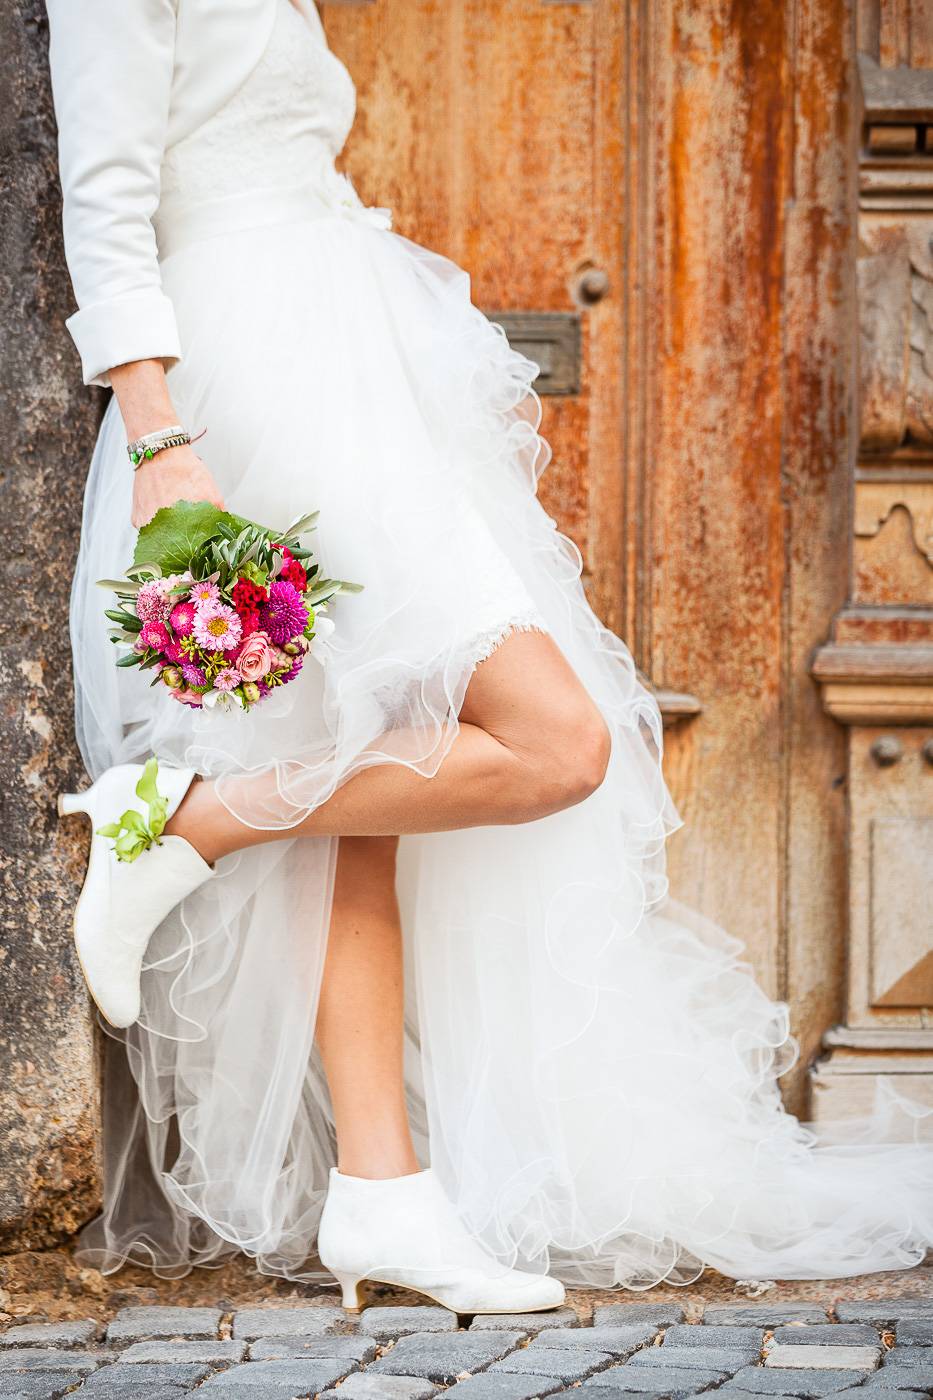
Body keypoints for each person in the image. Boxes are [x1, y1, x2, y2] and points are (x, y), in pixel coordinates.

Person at [46, 0, 933, 1306]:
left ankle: (381, 1194)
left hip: (339, 355)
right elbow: (106, 196)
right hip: (253, 379)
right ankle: (188, 822)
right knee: (556, 741)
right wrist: (164, 440)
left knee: (371, 784)